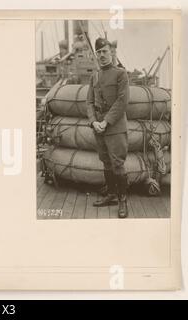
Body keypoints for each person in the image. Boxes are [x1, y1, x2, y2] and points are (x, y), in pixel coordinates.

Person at [86, 38, 130, 218]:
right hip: (99, 127)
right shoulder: (94, 76)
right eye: (99, 52)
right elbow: (89, 102)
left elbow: (122, 101)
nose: (102, 55)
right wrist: (93, 121)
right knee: (105, 161)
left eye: (105, 51)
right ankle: (111, 194)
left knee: (117, 163)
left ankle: (122, 200)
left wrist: (106, 122)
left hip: (115, 127)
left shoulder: (121, 74)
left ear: (111, 52)